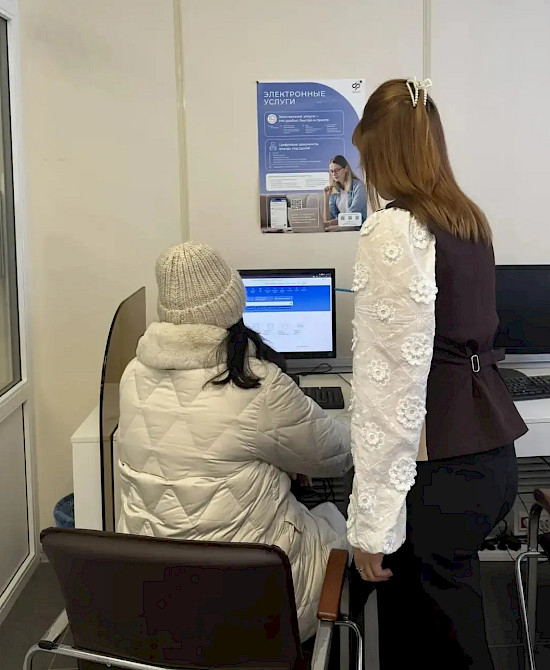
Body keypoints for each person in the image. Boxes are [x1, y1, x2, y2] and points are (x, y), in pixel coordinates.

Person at [347, 78, 528, 669]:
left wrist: (373, 524)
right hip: (491, 458)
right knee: (452, 621)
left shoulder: (394, 230)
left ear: (383, 151)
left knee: (430, 639)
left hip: (440, 467)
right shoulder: (468, 221)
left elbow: (388, 386)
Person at [116, 241, 352, 641]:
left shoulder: (132, 375)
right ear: (232, 304)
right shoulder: (257, 384)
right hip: (251, 596)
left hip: (154, 591)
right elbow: (336, 455)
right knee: (340, 523)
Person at [323, 154, 367, 231]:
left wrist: (329, 224)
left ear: (346, 169)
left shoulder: (358, 186)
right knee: (327, 230)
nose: (334, 174)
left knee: (329, 229)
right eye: (331, 171)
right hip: (341, 228)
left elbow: (352, 215)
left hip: (357, 228)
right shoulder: (334, 190)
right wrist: (326, 198)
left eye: (337, 170)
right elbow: (328, 219)